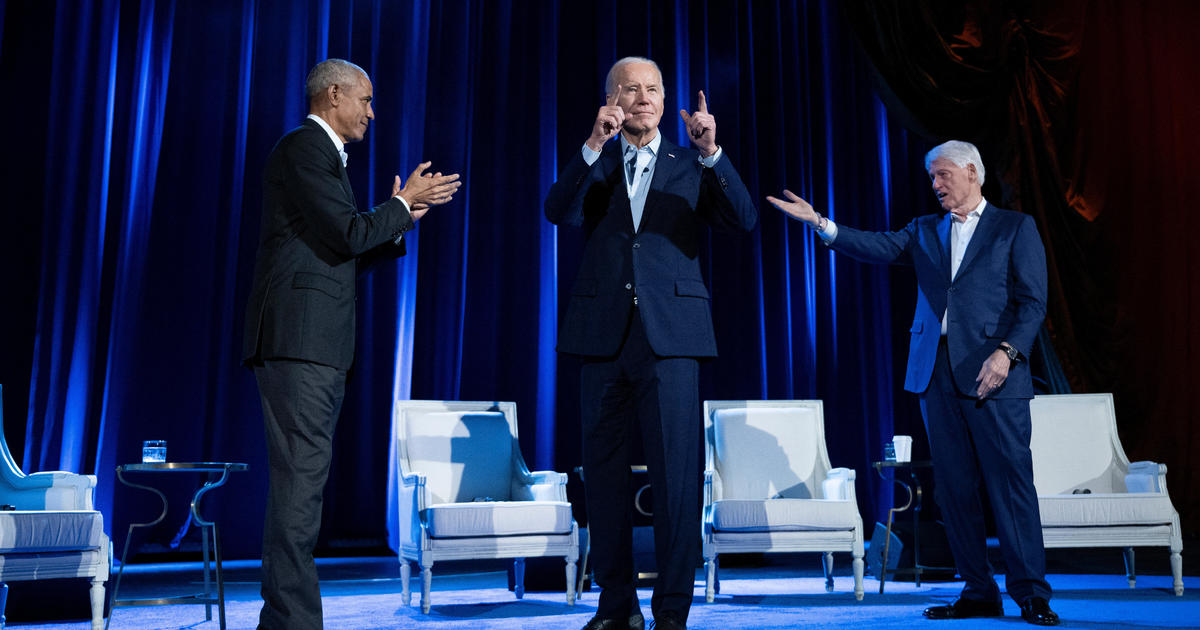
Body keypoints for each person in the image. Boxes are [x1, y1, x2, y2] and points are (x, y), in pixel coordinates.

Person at [767, 140, 1058, 626]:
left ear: (971, 172)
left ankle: (1032, 594)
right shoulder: (925, 230)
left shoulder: (1014, 228)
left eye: (942, 175)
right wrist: (821, 223)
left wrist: (1006, 354)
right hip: (935, 373)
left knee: (1010, 485)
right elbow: (877, 245)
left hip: (995, 374)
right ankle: (978, 589)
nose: (935, 185)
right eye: (931, 177)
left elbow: (1032, 304)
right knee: (954, 488)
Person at [242, 58, 460, 630]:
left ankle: (283, 621)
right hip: (299, 343)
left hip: (313, 345)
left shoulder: (323, 158)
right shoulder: (304, 148)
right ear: (333, 94)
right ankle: (291, 623)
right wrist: (396, 207)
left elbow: (339, 252)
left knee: (301, 483)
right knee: (299, 486)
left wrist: (402, 216)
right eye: (364, 100)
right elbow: (345, 233)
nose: (370, 112)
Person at [545, 57, 757, 630]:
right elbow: (555, 210)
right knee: (605, 477)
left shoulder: (691, 165)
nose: (644, 98)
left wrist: (714, 153)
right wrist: (593, 143)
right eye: (631, 89)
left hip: (673, 338)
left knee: (675, 480)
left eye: (654, 89)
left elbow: (744, 219)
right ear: (611, 98)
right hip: (602, 338)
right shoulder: (598, 161)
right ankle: (617, 607)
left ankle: (671, 612)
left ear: (667, 101)